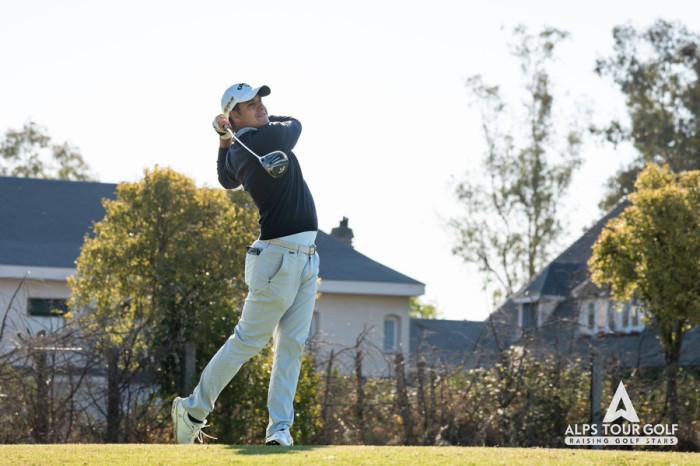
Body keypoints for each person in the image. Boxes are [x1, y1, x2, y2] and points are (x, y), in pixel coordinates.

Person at [171, 83, 319, 446]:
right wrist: (233, 134)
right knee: (248, 341)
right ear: (234, 115)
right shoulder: (268, 139)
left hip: (304, 258)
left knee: (291, 346)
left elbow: (224, 178)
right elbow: (297, 123)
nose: (261, 107)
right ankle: (193, 408)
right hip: (278, 258)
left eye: (260, 101)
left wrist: (225, 138)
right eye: (249, 105)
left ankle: (279, 429)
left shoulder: (239, 150)